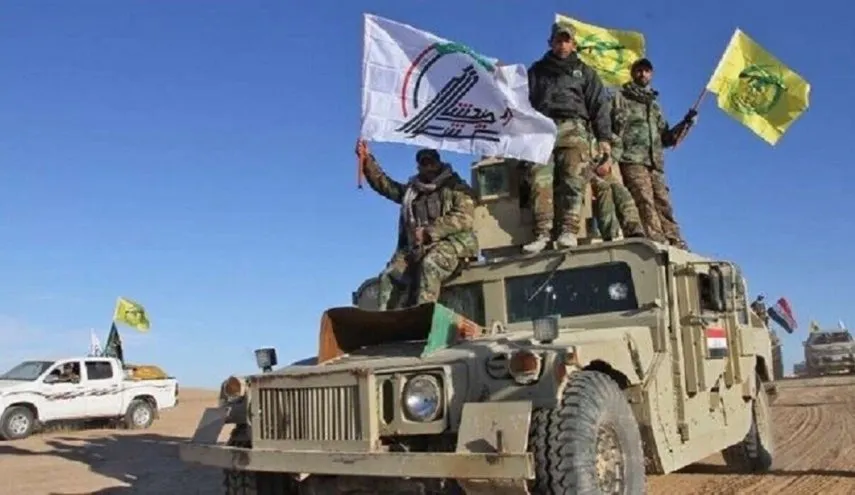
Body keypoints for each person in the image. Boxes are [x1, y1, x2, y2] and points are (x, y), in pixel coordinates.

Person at [355, 139, 479, 310]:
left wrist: (429, 232)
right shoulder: (413, 192)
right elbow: (386, 186)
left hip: (454, 244)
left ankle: (423, 316)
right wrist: (367, 160)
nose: (429, 167)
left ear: (439, 163)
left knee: (430, 265)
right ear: (419, 167)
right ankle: (386, 320)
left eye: (431, 162)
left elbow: (464, 217)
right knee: (390, 276)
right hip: (417, 248)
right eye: (424, 163)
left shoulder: (456, 188)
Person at [522, 22, 613, 254]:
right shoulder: (537, 71)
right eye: (558, 40)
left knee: (573, 177)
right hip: (543, 128)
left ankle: (569, 230)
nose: (562, 45)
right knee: (539, 179)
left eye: (566, 40)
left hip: (574, 127)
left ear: (574, 44)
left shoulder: (585, 72)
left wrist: (604, 138)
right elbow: (521, 99)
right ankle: (542, 233)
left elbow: (599, 105)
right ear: (550, 43)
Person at [612, 58, 697, 249]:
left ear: (651, 74)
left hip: (655, 162)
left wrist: (685, 123)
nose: (643, 74)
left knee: (663, 201)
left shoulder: (655, 105)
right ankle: (656, 240)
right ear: (633, 74)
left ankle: (675, 240)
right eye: (639, 70)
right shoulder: (621, 98)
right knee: (644, 199)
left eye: (646, 71)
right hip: (632, 158)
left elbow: (665, 138)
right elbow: (610, 126)